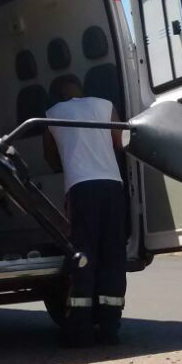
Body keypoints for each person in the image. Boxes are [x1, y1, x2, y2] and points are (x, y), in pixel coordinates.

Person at [43, 75, 126, 347]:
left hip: (81, 188)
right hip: (113, 186)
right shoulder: (106, 105)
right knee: (112, 253)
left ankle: (80, 328)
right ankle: (110, 328)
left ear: (57, 94)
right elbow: (119, 142)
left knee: (83, 255)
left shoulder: (51, 114)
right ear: (81, 89)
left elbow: (50, 157)